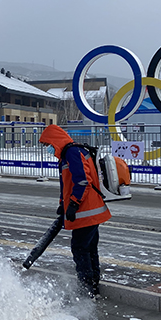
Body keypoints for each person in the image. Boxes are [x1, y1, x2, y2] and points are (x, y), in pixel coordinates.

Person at [39, 124, 111, 298]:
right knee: (89, 248)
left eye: (48, 144)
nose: (48, 148)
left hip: (87, 210)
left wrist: (73, 204)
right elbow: (68, 184)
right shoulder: (68, 154)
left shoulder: (72, 152)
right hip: (90, 210)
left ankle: (87, 291)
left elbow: (82, 181)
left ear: (55, 140)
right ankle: (93, 287)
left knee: (79, 248)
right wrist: (62, 204)